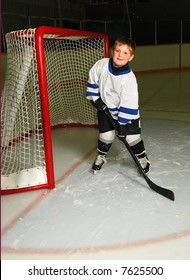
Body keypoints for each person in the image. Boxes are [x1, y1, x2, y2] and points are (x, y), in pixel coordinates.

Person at [86, 36, 150, 174]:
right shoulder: (102, 64)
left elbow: (129, 102)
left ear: (131, 57)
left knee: (132, 138)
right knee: (106, 137)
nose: (120, 54)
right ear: (112, 51)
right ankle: (101, 156)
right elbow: (93, 79)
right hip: (104, 109)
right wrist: (95, 99)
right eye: (117, 50)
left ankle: (143, 158)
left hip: (125, 115)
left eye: (125, 53)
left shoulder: (129, 79)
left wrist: (121, 125)